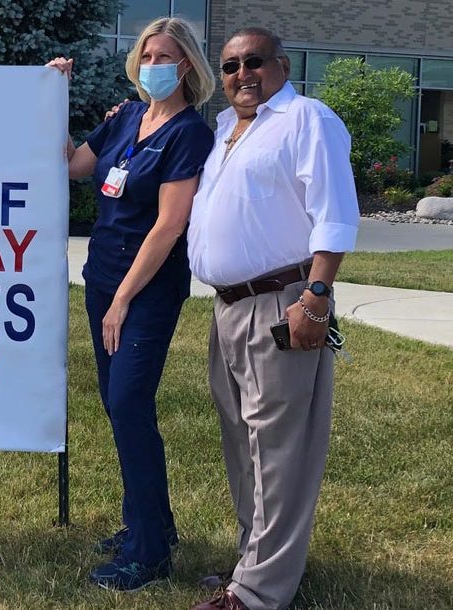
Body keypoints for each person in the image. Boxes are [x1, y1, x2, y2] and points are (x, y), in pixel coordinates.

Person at [186, 27, 359, 610]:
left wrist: (315, 298)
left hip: (281, 302)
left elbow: (333, 214)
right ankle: (253, 563)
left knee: (281, 448)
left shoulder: (307, 119)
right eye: (231, 66)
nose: (242, 74)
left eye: (253, 61)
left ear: (281, 64)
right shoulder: (226, 131)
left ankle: (260, 592)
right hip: (227, 306)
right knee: (243, 444)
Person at [47, 16, 215, 591]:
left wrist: (122, 300)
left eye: (163, 56)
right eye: (145, 55)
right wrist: (55, 96)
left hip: (145, 292)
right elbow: (72, 165)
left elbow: (170, 224)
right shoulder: (126, 118)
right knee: (120, 410)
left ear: (186, 64)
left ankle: (150, 554)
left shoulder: (190, 132)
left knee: (130, 405)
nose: (152, 66)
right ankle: (148, 525)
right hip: (103, 280)